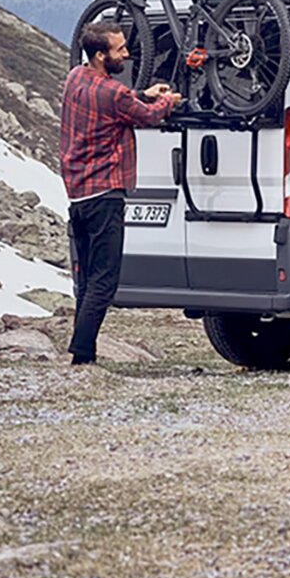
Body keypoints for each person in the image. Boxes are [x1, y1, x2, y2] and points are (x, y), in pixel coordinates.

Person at [59, 23, 181, 366]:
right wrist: (167, 101)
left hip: (79, 194)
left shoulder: (75, 78)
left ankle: (83, 351)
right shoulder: (112, 93)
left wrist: (142, 92)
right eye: (120, 49)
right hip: (106, 194)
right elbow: (146, 117)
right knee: (104, 279)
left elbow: (122, 103)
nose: (126, 54)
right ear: (101, 55)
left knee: (86, 278)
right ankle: (82, 355)